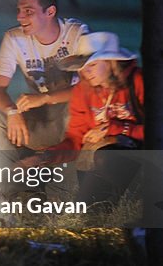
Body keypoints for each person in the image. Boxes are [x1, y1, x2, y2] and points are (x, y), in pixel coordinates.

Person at [0, 0, 89, 191]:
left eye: (28, 11)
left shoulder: (76, 34)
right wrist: (11, 112)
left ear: (50, 11)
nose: (20, 17)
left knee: (74, 110)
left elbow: (88, 88)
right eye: (19, 11)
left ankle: (62, 189)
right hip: (41, 119)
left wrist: (44, 98)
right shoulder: (14, 38)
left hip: (72, 120)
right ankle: (5, 183)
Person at [27, 32, 143, 210]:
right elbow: (75, 139)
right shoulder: (84, 90)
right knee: (89, 156)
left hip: (142, 152)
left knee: (105, 155)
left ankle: (106, 208)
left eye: (93, 64)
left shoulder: (138, 81)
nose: (85, 71)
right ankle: (97, 209)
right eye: (82, 66)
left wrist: (115, 130)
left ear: (112, 63)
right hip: (101, 156)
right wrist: (46, 157)